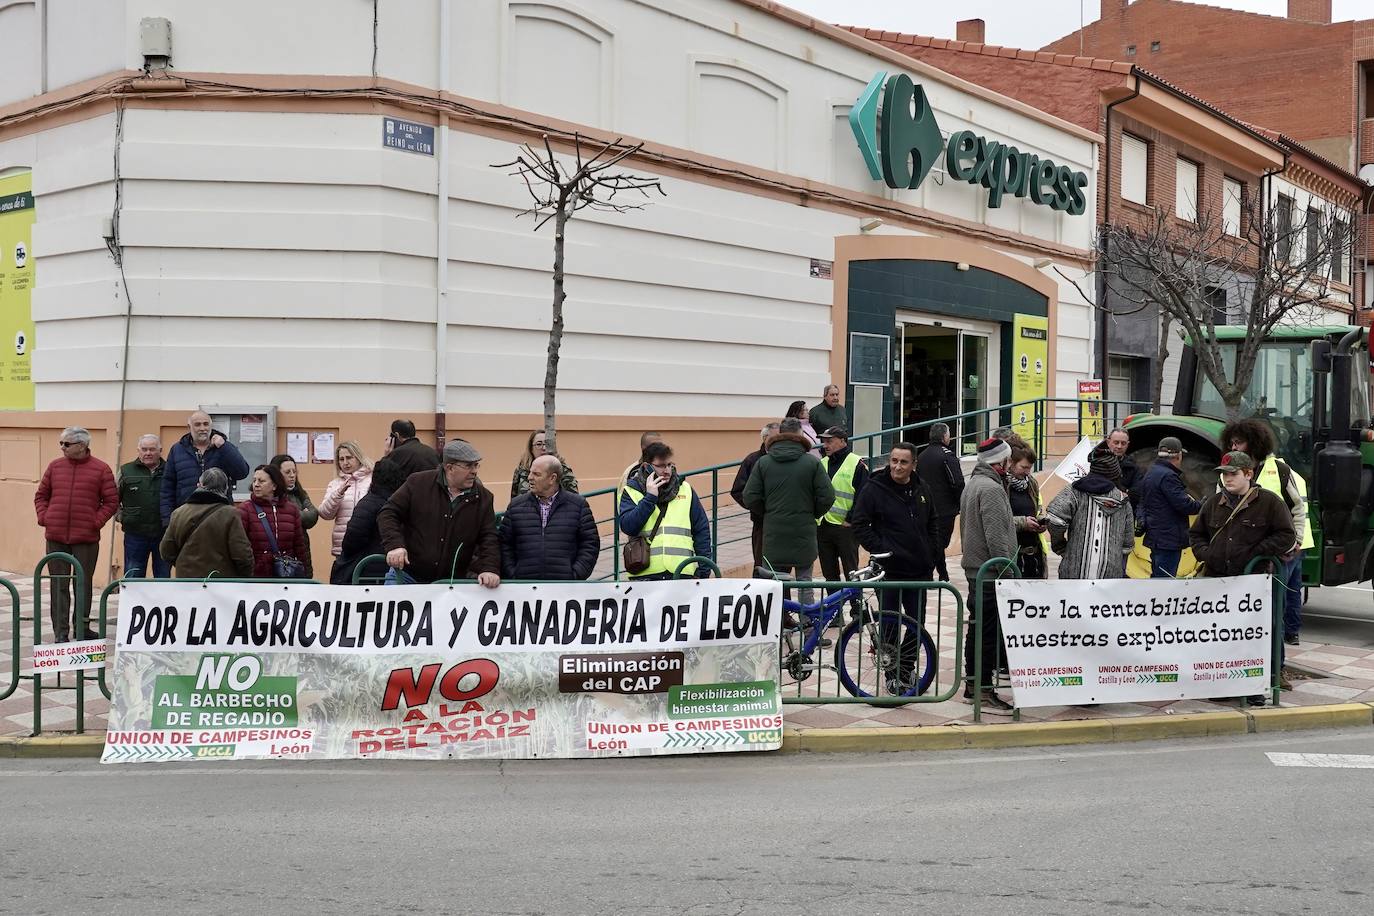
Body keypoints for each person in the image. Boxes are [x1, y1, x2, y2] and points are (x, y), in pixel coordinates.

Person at [1189, 451, 1296, 706]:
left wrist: (1257, 553)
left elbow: (1286, 535)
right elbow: (1196, 535)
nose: (1227, 479)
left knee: (1253, 637)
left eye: (1233, 473)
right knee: (1220, 635)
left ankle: (1254, 687)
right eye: (1224, 474)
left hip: (1254, 584)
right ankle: (1222, 684)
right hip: (1218, 583)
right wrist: (1206, 554)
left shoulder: (1270, 503)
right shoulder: (1214, 503)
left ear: (1248, 474)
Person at [850, 442, 938, 683]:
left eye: (903, 462)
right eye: (894, 461)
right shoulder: (874, 488)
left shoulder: (922, 488)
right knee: (889, 624)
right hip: (889, 570)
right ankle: (892, 675)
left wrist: (931, 554)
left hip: (918, 570)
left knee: (916, 624)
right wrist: (882, 549)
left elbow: (933, 522)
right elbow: (859, 524)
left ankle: (905, 666)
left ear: (914, 465)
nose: (897, 466)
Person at [1221, 419, 1311, 649]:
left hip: (1280, 551)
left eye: (1238, 443)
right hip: (1248, 553)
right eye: (1231, 443)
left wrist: (1297, 540)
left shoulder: (1279, 470)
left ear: (1253, 443)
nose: (1234, 447)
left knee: (1276, 605)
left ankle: (1276, 662)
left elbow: (1298, 507)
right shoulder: (1227, 475)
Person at [377, 439, 501, 586]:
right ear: (449, 468)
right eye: (468, 466)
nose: (474, 471)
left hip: (450, 585)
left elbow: (489, 537)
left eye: (476, 465)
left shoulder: (484, 498)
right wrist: (395, 545)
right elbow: (388, 513)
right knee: (393, 609)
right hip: (406, 576)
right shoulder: (417, 483)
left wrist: (489, 568)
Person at [34, 427, 118, 642]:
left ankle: (82, 627)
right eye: (61, 443)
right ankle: (60, 633)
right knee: (58, 584)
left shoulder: (101, 469)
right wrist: (45, 517)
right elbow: (41, 496)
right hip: (56, 536)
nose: (62, 447)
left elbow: (110, 502)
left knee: (83, 583)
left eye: (67, 444)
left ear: (82, 445)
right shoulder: (55, 466)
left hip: (86, 538)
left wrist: (95, 522)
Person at [742, 418, 835, 597]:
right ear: (800, 434)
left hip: (774, 533)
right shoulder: (812, 463)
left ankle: (777, 622)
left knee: (775, 586)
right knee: (805, 583)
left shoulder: (764, 463)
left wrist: (768, 512)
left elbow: (749, 496)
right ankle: (807, 623)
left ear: (781, 434)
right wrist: (812, 512)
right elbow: (828, 496)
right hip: (804, 532)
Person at [959, 437, 1018, 712]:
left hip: (978, 570)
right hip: (990, 572)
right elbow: (996, 536)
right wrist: (1009, 570)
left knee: (978, 629)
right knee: (986, 633)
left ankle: (974, 686)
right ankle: (982, 690)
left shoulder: (974, 483)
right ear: (1002, 462)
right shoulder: (991, 489)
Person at [619, 441, 712, 580]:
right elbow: (628, 526)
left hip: (681, 573)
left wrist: (704, 570)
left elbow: (701, 530)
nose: (667, 470)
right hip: (645, 574)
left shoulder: (685, 489)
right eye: (661, 466)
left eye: (669, 465)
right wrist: (649, 498)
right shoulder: (632, 490)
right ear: (647, 467)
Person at [500, 455, 600, 581]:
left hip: (564, 588)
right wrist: (513, 574)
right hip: (524, 588)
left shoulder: (578, 505)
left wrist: (575, 575)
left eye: (536, 474)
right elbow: (504, 544)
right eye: (530, 472)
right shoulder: (516, 505)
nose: (530, 478)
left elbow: (590, 544)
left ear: (552, 478)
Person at [1044, 452, 1135, 580]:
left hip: (1074, 571)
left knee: (1073, 601)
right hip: (1110, 575)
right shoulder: (1123, 501)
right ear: (1114, 474)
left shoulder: (1073, 492)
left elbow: (1055, 520)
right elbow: (1128, 542)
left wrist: (1059, 546)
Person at [160, 411, 251, 526]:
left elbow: (242, 472)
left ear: (211, 426)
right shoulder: (177, 450)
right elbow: (167, 487)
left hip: (219, 518)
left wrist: (224, 447)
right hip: (186, 519)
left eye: (206, 424)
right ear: (189, 427)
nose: (203, 428)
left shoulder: (224, 447)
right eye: (197, 425)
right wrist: (167, 521)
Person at [160, 468, 254, 579]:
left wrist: (183, 564)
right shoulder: (230, 514)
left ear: (199, 485)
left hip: (186, 581)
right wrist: (245, 578)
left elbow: (166, 551)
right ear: (225, 488)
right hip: (220, 583)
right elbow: (242, 554)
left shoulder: (179, 513)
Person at [331, 457, 407, 585]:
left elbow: (351, 540)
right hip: (375, 570)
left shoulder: (369, 502)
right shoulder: (394, 503)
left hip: (365, 570)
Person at [1138, 437, 1202, 579]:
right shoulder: (1168, 476)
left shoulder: (1151, 472)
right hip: (1168, 540)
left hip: (1157, 537)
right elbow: (1184, 506)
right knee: (1165, 581)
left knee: (1158, 577)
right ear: (1178, 456)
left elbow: (1143, 502)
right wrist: (1204, 503)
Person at [815, 426, 869, 589]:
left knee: (851, 573)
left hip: (846, 529)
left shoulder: (856, 464)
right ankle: (834, 612)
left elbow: (864, 496)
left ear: (843, 441)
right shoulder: (821, 463)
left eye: (829, 441)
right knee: (829, 575)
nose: (825, 445)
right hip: (823, 526)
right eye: (824, 441)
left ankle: (856, 610)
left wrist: (850, 519)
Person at [238, 463, 312, 579]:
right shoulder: (245, 509)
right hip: (256, 577)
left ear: (274, 485)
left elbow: (299, 546)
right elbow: (240, 546)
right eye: (254, 480)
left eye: (261, 481)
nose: (256, 485)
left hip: (286, 575)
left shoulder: (291, 510)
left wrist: (306, 576)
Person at [915, 422, 965, 581]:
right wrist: (960, 503)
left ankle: (943, 575)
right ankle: (930, 575)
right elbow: (957, 482)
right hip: (945, 509)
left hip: (925, 507)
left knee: (934, 542)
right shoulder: (947, 455)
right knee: (939, 543)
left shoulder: (921, 456)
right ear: (945, 436)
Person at [117, 434, 170, 578]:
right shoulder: (126, 471)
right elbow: (112, 499)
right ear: (138, 450)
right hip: (135, 534)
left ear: (160, 450)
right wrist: (123, 517)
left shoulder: (170, 471)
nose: (148, 453)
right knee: (133, 576)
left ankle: (162, 602)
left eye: (152, 449)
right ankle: (134, 602)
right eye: (144, 449)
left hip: (163, 533)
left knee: (163, 577)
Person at [730, 422, 780, 569]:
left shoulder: (786, 459)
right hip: (762, 523)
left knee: (782, 569)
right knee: (761, 566)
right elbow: (738, 490)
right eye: (775, 438)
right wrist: (759, 508)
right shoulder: (753, 460)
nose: (779, 441)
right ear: (765, 438)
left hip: (784, 523)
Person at [317, 440, 373, 559]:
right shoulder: (335, 484)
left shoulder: (372, 481)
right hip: (343, 546)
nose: (345, 463)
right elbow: (324, 514)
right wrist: (338, 494)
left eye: (349, 458)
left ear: (358, 458)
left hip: (368, 544)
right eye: (341, 459)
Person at [1006, 445, 1048, 580]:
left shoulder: (1031, 483)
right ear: (1011, 463)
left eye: (1030, 467)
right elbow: (998, 520)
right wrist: (1023, 523)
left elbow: (1037, 509)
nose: (1027, 472)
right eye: (1023, 467)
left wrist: (1041, 521)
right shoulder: (1002, 485)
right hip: (1012, 554)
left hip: (1034, 552)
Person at [511, 429, 579, 498]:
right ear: (531, 448)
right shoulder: (522, 469)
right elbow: (514, 499)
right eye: (539, 444)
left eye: (547, 444)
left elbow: (574, 499)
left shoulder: (562, 469)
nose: (544, 448)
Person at [270, 453, 319, 531]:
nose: (292, 475)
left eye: (294, 471)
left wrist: (298, 515)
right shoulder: (272, 495)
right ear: (277, 474)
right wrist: (302, 513)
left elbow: (313, 515)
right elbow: (284, 518)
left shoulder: (300, 492)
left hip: (302, 541)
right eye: (287, 472)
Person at [1095, 428, 1140, 508]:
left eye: (1123, 443)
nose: (1119, 446)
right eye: (1116, 442)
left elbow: (1137, 493)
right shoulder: (1097, 463)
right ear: (1108, 442)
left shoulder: (1133, 467)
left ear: (1128, 444)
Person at [619, 431, 662, 496]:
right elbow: (622, 500)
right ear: (644, 448)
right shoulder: (630, 472)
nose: (661, 449)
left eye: (661, 445)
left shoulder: (664, 468)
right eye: (656, 446)